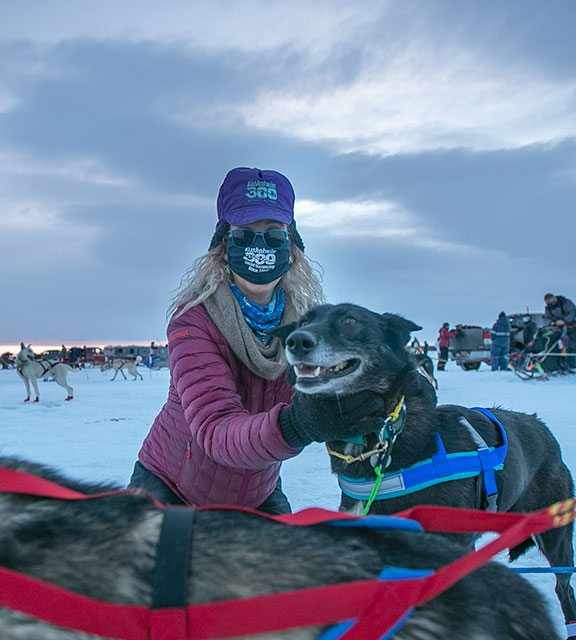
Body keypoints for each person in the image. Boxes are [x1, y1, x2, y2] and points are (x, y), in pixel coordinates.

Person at [127, 167, 385, 513]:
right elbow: (216, 428)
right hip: (171, 487)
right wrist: (298, 424)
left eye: (274, 235)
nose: (259, 246)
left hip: (257, 490)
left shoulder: (309, 323)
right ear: (223, 246)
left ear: (291, 249)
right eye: (244, 235)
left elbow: (347, 380)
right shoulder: (193, 320)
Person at [543, 293, 576, 371]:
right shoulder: (548, 308)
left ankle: (571, 365)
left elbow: (573, 313)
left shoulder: (565, 303)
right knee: (554, 347)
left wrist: (564, 320)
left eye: (551, 300)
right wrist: (552, 322)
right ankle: (558, 365)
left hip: (570, 329)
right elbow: (546, 318)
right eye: (548, 301)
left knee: (571, 346)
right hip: (558, 330)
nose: (550, 302)